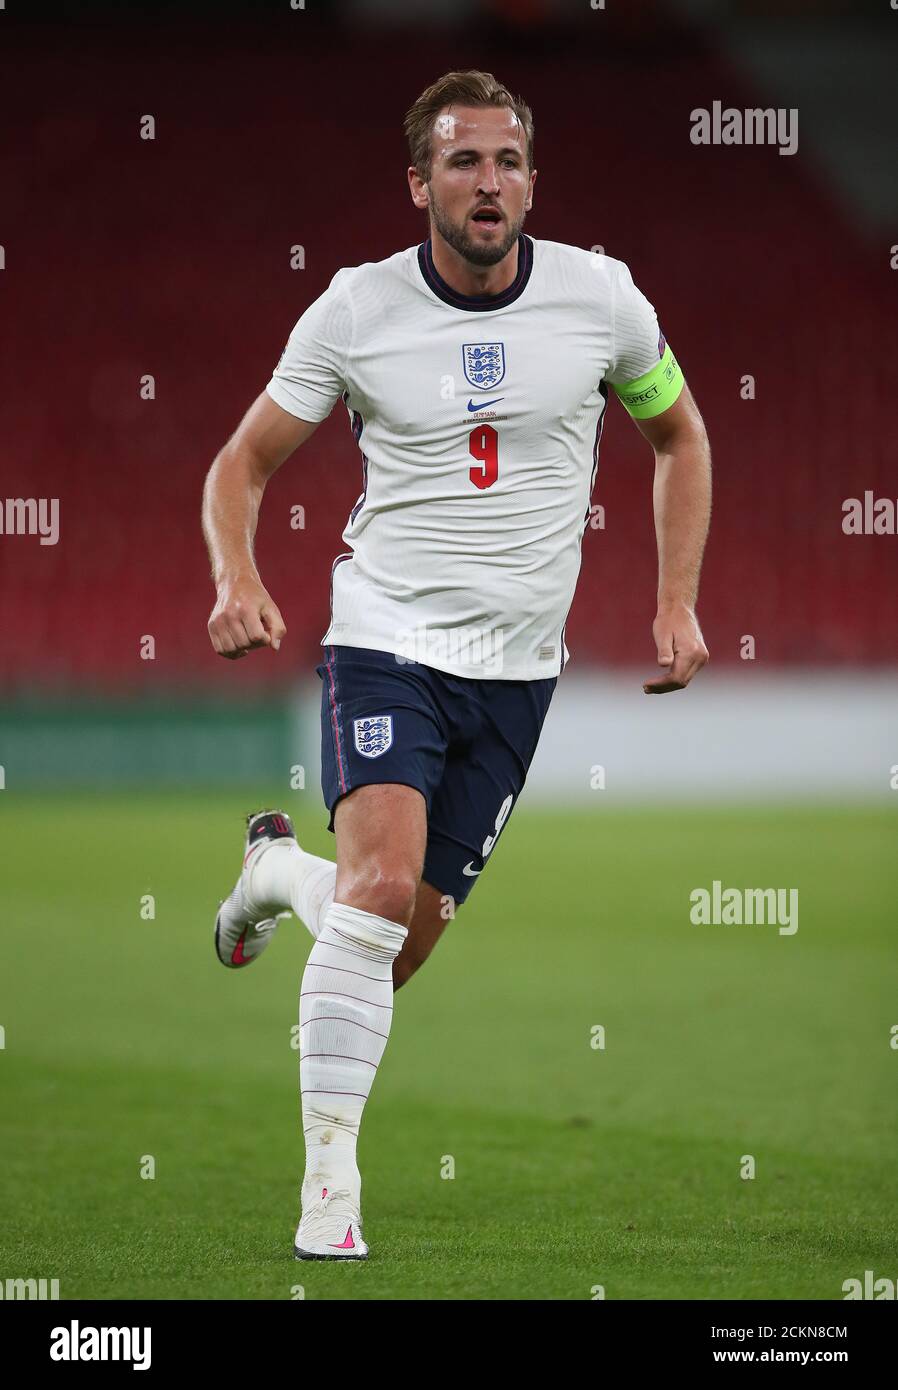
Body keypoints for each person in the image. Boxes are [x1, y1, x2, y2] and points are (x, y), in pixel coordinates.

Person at [201, 69, 711, 1261]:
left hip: (518, 674)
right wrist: (237, 574)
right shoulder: (354, 310)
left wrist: (677, 600)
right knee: (377, 896)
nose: (490, 182)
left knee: (392, 942)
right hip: (386, 639)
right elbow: (243, 462)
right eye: (464, 161)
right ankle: (331, 1195)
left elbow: (678, 432)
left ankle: (275, 876)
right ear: (420, 181)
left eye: (509, 161)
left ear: (533, 178)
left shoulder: (601, 299)